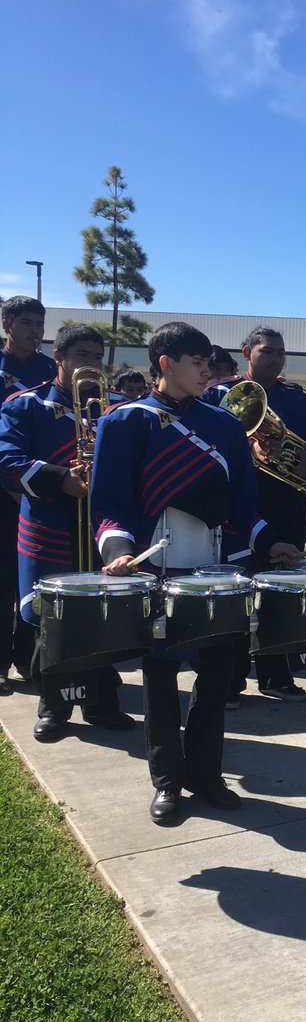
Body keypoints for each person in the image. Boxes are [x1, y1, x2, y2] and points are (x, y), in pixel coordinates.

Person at [91, 322, 301, 823]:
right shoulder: (125, 422)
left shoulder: (225, 425)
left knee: (216, 678)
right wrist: (118, 551)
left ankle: (206, 774)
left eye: (209, 362)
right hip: (155, 572)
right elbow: (110, 504)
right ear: (165, 363)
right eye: (197, 362)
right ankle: (167, 780)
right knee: (160, 680)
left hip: (216, 572)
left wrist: (271, 542)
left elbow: (244, 506)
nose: (208, 370)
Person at [0, 323, 133, 738]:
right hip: (49, 528)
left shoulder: (117, 409)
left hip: (101, 531)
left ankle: (100, 703)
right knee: (51, 619)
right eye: (81, 356)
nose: (91, 365)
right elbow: (6, 458)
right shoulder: (26, 405)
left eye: (97, 356)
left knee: (104, 614)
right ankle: (53, 706)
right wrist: (60, 478)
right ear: (58, 358)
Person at [205, 326, 306, 701]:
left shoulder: (300, 399)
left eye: (280, 352)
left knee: (281, 590)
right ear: (247, 352)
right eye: (267, 351)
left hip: (287, 503)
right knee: (235, 590)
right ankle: (230, 678)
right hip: (235, 508)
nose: (275, 358)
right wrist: (248, 448)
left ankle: (276, 674)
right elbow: (206, 445)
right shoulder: (216, 395)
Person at [0, 296, 56, 692]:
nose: (34, 331)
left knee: (31, 579)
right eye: (26, 323)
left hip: (42, 489)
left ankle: (30, 659)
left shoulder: (50, 369)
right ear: (7, 324)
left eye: (39, 324)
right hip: (4, 487)